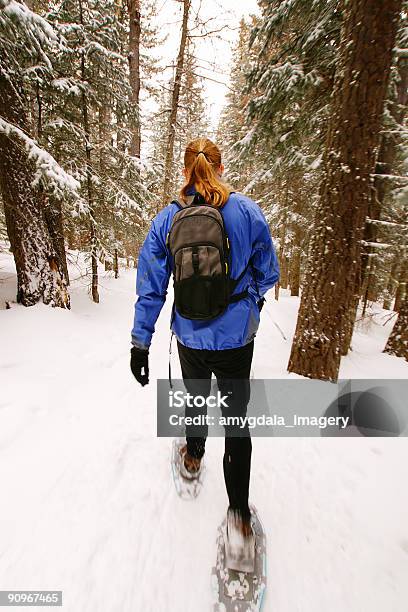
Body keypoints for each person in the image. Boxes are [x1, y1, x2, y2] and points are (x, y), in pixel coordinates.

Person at [130, 137, 279, 563]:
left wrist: (141, 343)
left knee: (195, 401)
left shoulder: (168, 219)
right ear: (220, 166)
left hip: (190, 335)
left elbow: (151, 288)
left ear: (185, 172)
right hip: (236, 339)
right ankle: (238, 521)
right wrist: (247, 300)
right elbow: (269, 272)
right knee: (236, 420)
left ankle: (193, 456)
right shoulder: (247, 211)